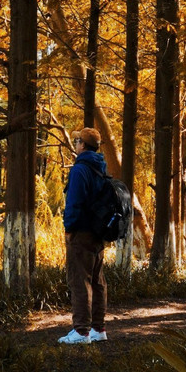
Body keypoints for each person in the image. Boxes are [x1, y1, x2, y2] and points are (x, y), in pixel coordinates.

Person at [58, 126, 108, 345]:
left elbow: (74, 203)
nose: (75, 144)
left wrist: (69, 229)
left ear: (83, 145)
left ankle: (81, 332)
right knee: (97, 281)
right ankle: (98, 329)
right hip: (99, 232)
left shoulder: (80, 169)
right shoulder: (100, 168)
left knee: (79, 280)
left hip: (81, 232)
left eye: (77, 141)